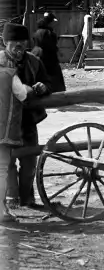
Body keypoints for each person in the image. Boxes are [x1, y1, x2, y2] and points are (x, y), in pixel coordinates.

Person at [2, 23, 50, 210]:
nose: (20, 48)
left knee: (30, 162)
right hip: (4, 123)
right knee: (7, 164)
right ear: (5, 42)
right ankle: (12, 199)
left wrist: (43, 87)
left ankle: (27, 199)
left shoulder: (34, 61)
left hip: (28, 121)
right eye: (15, 44)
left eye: (23, 43)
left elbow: (48, 82)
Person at [0, 29, 35, 222]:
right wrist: (31, 88)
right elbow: (22, 94)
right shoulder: (10, 72)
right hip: (3, 130)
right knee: (1, 170)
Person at [31, 12, 65, 93]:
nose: (54, 24)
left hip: (37, 56)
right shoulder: (49, 33)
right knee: (54, 77)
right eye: (53, 22)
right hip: (49, 58)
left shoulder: (37, 32)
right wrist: (57, 52)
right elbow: (51, 46)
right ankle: (57, 94)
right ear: (50, 22)